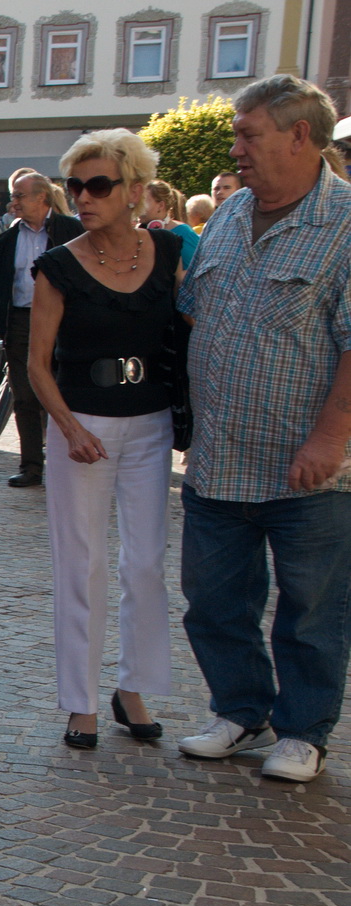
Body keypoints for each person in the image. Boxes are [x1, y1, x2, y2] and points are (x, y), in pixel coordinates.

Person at [175, 75, 351, 783]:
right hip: (218, 457)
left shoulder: (344, 224)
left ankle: (303, 730)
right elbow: (194, 309)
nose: (235, 147)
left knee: (309, 607)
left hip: (305, 465)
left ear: (298, 136)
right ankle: (239, 708)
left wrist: (329, 438)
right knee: (214, 600)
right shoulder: (228, 212)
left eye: (248, 134)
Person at [25, 129, 180, 751]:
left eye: (98, 185)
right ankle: (80, 702)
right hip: (81, 425)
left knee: (146, 564)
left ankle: (133, 687)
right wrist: (68, 427)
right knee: (81, 564)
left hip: (152, 423)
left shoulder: (166, 254)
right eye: (75, 186)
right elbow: (38, 364)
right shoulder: (57, 266)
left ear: (134, 191)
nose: (83, 197)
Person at [0, 171, 84, 480]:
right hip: (20, 321)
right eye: (14, 196)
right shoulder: (8, 239)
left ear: (41, 198)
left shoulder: (71, 230)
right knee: (24, 395)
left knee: (66, 391)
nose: (13, 202)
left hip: (63, 320)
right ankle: (31, 466)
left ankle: (68, 464)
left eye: (20, 196)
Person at [140, 179, 199, 269]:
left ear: (161, 206)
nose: (137, 206)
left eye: (143, 201)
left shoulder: (185, 233)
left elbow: (194, 273)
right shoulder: (138, 232)